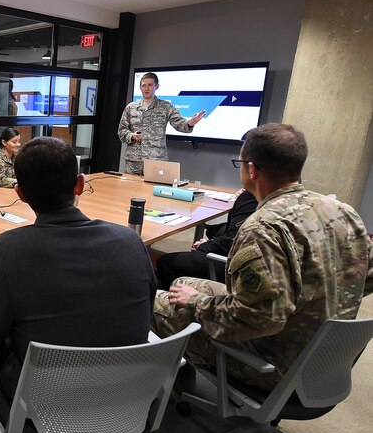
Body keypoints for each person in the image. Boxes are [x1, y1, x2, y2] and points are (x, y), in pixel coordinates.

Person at [0, 137, 157, 433]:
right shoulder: (131, 242)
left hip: (44, 412)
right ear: (79, 184)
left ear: (19, 194)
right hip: (125, 399)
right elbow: (148, 313)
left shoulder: (3, 253)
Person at [152, 123, 373, 391]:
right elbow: (364, 276)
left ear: (252, 170)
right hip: (325, 355)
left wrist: (197, 303)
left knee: (156, 302)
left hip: (276, 362)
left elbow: (257, 319)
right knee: (182, 283)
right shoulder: (343, 211)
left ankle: (160, 388)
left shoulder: (263, 228)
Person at [156, 189, 257, 289]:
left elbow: (228, 243)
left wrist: (206, 245)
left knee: (166, 262)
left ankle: (174, 298)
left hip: (237, 266)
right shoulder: (265, 194)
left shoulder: (252, 196)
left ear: (252, 173)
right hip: (250, 255)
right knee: (212, 231)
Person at [117, 72, 206, 175]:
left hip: (156, 160)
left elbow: (179, 124)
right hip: (133, 161)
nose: (146, 88)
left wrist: (190, 123)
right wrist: (131, 135)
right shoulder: (131, 107)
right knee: (130, 190)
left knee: (152, 190)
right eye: (143, 85)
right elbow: (122, 131)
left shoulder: (165, 107)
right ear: (140, 87)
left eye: (150, 85)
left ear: (157, 86)